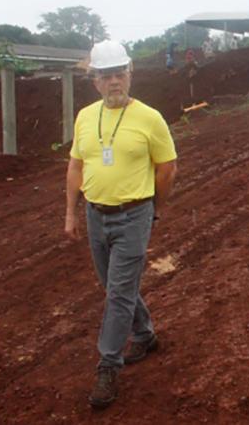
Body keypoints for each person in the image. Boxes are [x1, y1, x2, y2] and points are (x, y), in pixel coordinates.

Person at [65, 40, 178, 408]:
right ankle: (144, 333)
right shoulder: (85, 117)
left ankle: (108, 365)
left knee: (117, 292)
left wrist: (153, 209)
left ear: (130, 76)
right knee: (113, 285)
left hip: (134, 214)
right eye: (106, 76)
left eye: (120, 74)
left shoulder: (150, 118)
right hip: (95, 214)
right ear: (94, 81)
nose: (114, 82)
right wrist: (71, 212)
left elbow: (167, 168)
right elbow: (76, 165)